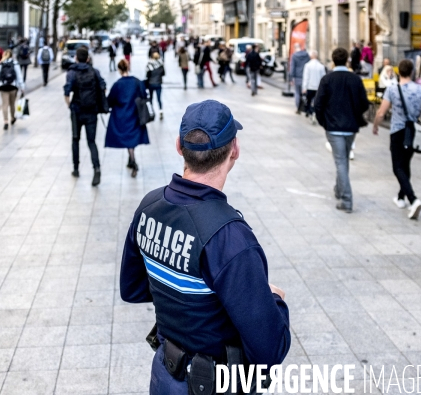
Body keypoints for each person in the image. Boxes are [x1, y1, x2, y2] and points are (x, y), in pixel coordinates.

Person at [119, 100, 291, 394]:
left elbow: (132, 289)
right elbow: (270, 350)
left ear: (178, 146)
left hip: (164, 375)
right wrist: (273, 299)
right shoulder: (230, 238)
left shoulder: (150, 206)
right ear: (234, 149)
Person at [372, 59, 421, 219]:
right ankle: (401, 197)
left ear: (398, 72)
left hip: (398, 131)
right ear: (412, 72)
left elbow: (381, 112)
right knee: (405, 164)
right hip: (413, 132)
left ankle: (413, 200)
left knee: (397, 167)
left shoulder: (392, 90)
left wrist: (376, 125)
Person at [314, 48, 369, 213]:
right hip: (350, 127)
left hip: (334, 128)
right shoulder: (355, 79)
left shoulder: (327, 79)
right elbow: (364, 104)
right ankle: (339, 189)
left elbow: (318, 105)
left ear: (333, 60)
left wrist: (324, 122)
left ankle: (346, 199)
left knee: (341, 162)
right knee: (343, 160)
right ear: (347, 61)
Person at [63, 47, 106, 186]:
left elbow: (67, 91)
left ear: (76, 57)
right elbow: (103, 86)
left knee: (75, 139)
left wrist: (70, 105)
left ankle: (76, 168)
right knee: (91, 141)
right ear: (88, 58)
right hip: (92, 111)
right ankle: (97, 168)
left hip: (77, 110)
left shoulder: (72, 72)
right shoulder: (94, 71)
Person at [106, 59, 150, 178]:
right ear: (128, 68)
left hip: (122, 116)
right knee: (131, 139)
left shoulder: (117, 84)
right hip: (135, 115)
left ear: (119, 69)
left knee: (127, 138)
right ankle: (131, 160)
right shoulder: (137, 82)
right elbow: (144, 96)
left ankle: (133, 161)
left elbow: (110, 100)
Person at [0, 50, 25, 130]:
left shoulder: (0, 64)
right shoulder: (15, 63)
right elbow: (19, 76)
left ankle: (5, 121)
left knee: (5, 104)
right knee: (12, 104)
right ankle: (12, 118)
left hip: (3, 87)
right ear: (11, 56)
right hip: (13, 87)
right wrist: (22, 87)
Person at [302, 50, 326, 120]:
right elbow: (323, 78)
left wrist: (304, 87)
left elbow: (306, 77)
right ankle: (314, 113)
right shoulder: (321, 66)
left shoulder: (307, 65)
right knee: (316, 101)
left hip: (310, 86)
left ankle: (309, 112)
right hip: (318, 87)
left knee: (309, 100)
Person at [289, 43, 310, 114]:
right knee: (304, 93)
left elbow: (292, 67)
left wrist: (291, 78)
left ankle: (298, 108)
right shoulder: (306, 55)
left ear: (295, 48)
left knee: (297, 93)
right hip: (306, 77)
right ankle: (306, 108)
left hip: (297, 77)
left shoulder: (294, 56)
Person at [146, 52, 165, 120]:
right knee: (159, 99)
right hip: (158, 83)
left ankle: (151, 112)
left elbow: (147, 75)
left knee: (151, 98)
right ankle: (161, 111)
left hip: (151, 83)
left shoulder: (149, 64)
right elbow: (163, 73)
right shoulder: (161, 64)